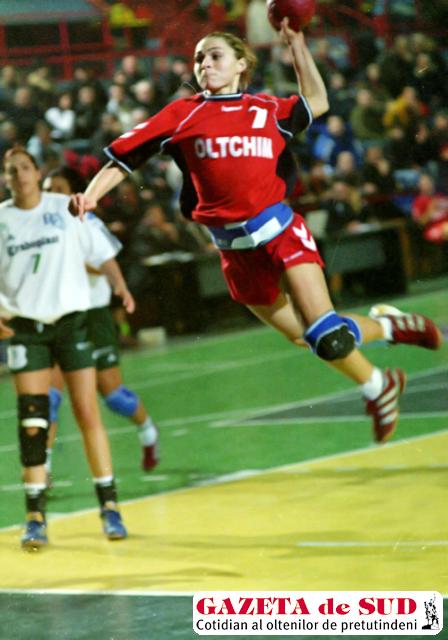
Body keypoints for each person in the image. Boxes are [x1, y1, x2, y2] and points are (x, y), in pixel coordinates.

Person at [69, 22, 443, 447]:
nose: (204, 64)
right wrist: (91, 195)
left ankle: (384, 354)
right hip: (234, 253)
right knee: (307, 338)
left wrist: (297, 44)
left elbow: (318, 101)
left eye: (215, 56)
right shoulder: (182, 114)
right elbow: (123, 159)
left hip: (281, 234)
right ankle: (382, 367)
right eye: (199, 58)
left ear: (241, 65)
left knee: (328, 335)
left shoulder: (267, 109)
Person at [0, 148, 131, 549]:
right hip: (26, 328)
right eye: (11, 170)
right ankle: (35, 516)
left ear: (36, 171)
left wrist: (120, 285)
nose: (19, 175)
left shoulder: (65, 207)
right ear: (5, 178)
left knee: (87, 410)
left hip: (71, 322)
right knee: (33, 421)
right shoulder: (2, 219)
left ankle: (110, 506)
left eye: (25, 167)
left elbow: (102, 252)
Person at [42, 166, 159, 476]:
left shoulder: (87, 221)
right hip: (56, 315)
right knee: (49, 397)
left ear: (74, 192)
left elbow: (105, 263)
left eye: (57, 188)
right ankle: (44, 468)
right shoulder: (40, 226)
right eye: (47, 188)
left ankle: (148, 431)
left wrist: (72, 264)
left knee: (113, 395)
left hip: (92, 314)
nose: (51, 194)